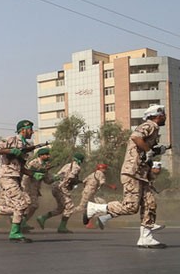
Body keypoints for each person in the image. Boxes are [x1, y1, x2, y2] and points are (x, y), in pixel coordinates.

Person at [84, 105, 169, 248]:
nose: (165, 117)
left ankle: (146, 238)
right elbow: (136, 137)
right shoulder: (150, 125)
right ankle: (95, 209)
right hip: (133, 172)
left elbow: (142, 148)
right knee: (131, 207)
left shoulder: (154, 129)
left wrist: (156, 149)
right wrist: (149, 150)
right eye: (163, 114)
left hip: (141, 174)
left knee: (150, 203)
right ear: (158, 115)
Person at [37, 153, 84, 233]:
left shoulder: (67, 165)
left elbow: (61, 175)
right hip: (61, 187)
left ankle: (43, 218)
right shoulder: (77, 167)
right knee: (69, 207)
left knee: (61, 208)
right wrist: (76, 182)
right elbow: (71, 177)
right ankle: (62, 227)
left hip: (55, 186)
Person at [21, 147, 53, 231]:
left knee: (34, 206)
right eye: (46, 154)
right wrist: (37, 172)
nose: (48, 156)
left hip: (35, 188)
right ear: (41, 155)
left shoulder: (45, 165)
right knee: (28, 204)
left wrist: (54, 178)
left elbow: (47, 180)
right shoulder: (33, 163)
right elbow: (27, 173)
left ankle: (23, 222)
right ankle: (19, 222)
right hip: (27, 186)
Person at [76, 163, 114, 227]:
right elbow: (102, 183)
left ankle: (90, 223)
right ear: (101, 169)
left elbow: (84, 181)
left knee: (93, 208)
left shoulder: (92, 174)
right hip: (89, 193)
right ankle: (68, 212)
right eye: (105, 169)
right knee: (81, 207)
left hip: (87, 192)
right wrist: (111, 186)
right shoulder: (100, 173)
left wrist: (86, 189)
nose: (106, 170)